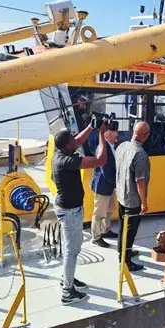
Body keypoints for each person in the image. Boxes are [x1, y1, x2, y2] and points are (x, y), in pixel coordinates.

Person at [52, 117, 109, 305]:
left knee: (73, 249)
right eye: (73, 140)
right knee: (72, 251)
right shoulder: (67, 161)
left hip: (68, 208)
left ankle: (66, 278)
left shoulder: (59, 152)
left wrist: (91, 126)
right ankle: (67, 292)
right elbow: (101, 160)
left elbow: (77, 141)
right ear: (68, 145)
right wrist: (102, 135)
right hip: (69, 212)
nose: (76, 141)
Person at [115, 121, 151, 272]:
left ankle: (122, 252)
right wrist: (144, 203)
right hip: (132, 200)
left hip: (121, 195)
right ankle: (126, 262)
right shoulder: (140, 154)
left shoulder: (122, 146)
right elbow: (140, 182)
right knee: (130, 232)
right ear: (146, 135)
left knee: (122, 227)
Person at [90, 121, 119, 248]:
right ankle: (96, 237)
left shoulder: (111, 146)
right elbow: (106, 170)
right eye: (114, 131)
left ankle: (105, 230)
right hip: (103, 186)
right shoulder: (103, 147)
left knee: (110, 210)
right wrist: (116, 184)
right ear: (107, 134)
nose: (117, 133)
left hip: (110, 185)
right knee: (99, 213)